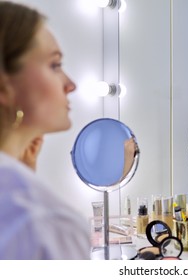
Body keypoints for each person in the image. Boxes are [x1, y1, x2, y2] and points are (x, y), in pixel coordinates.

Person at [0, 1, 90, 259]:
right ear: (4, 84)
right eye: (54, 65)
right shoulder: (47, 223)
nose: (70, 84)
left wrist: (24, 173)